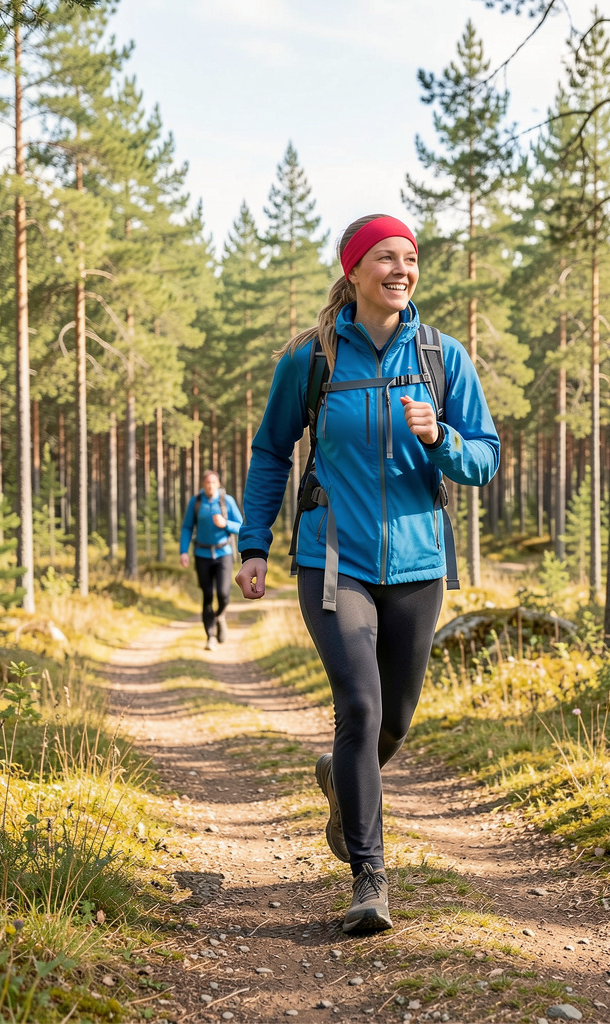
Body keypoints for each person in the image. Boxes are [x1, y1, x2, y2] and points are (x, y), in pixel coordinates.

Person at [236, 214, 499, 933]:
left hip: (416, 562)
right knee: (360, 705)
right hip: (335, 561)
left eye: (410, 258)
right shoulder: (313, 360)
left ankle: (339, 777)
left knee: (397, 718)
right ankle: (369, 879)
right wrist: (253, 545)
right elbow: (270, 453)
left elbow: (486, 457)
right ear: (353, 270)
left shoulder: (444, 357)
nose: (401, 268)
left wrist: (441, 438)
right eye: (386, 256)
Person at [180, 470, 243, 650]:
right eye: (206, 483)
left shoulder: (227, 501)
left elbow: (241, 526)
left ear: (218, 484)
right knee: (207, 595)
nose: (209, 486)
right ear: (202, 484)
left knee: (223, 594)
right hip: (202, 554)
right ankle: (210, 636)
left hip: (223, 553)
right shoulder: (196, 502)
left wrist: (226, 524)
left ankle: (220, 615)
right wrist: (183, 552)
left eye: (213, 483)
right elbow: (186, 527)